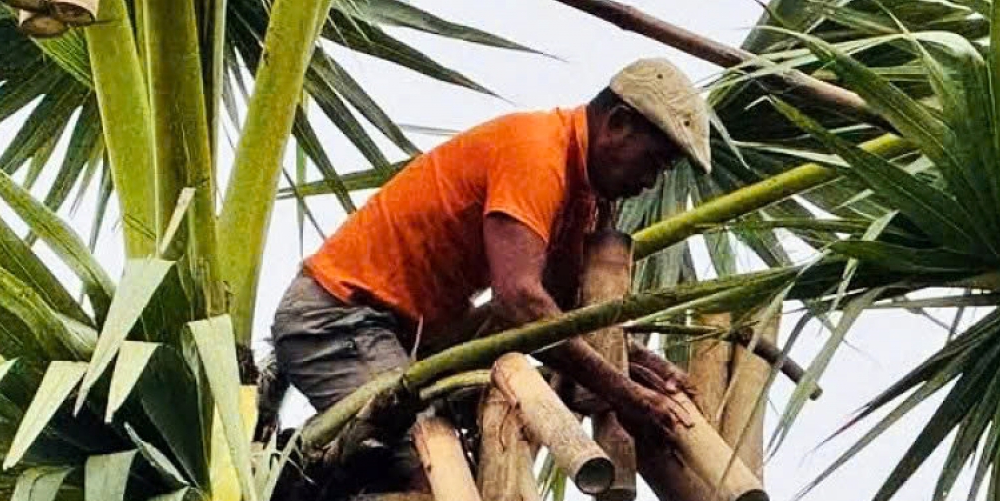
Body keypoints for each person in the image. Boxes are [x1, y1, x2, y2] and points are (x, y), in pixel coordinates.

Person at [269, 57, 708, 441]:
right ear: (618, 123)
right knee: (421, 456)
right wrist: (623, 393)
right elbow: (519, 302)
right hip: (339, 319)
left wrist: (640, 365)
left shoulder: (585, 200)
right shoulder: (537, 153)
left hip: (407, 340)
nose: (651, 182)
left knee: (466, 445)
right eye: (653, 161)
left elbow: (561, 310)